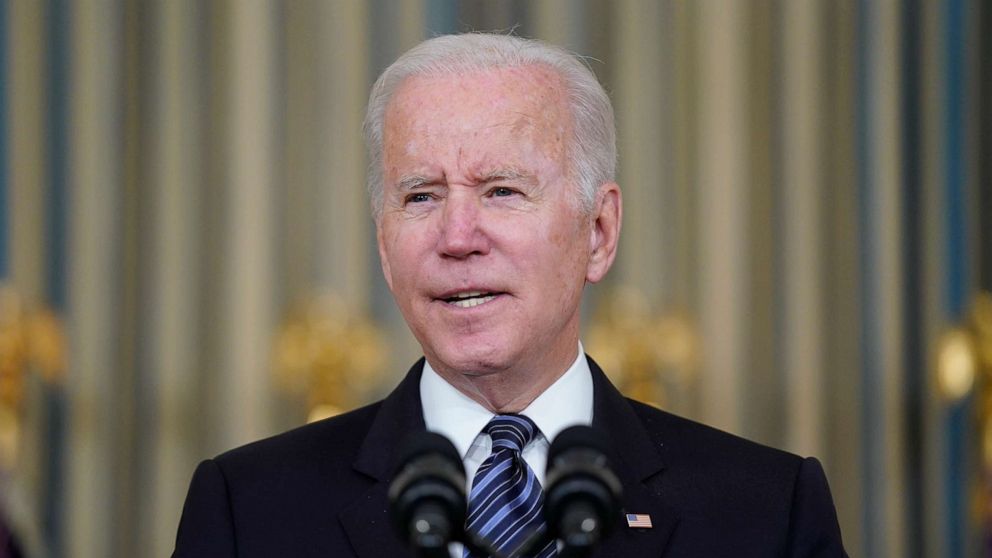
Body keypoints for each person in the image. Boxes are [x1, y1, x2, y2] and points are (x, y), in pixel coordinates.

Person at [173, 33, 846, 558]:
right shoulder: (250, 511)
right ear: (383, 243)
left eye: (502, 191)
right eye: (421, 196)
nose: (458, 236)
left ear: (599, 232)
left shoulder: (767, 512)